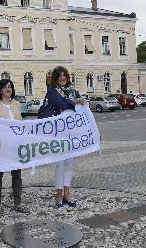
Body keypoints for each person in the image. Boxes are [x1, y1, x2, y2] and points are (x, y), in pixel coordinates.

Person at [46, 66, 85, 208]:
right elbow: (61, 103)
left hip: (71, 133)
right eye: (59, 76)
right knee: (59, 164)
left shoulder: (73, 91)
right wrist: (76, 101)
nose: (62, 78)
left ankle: (67, 195)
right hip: (58, 133)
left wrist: (81, 101)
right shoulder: (52, 91)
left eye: (64, 75)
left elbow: (82, 109)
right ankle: (58, 196)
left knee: (69, 164)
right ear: (55, 78)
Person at [0, 79, 30, 214]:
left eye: (10, 87)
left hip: (15, 145)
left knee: (17, 175)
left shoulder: (17, 104)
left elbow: (21, 124)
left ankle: (18, 202)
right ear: (0, 90)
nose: (8, 89)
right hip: (1, 145)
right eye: (5, 87)